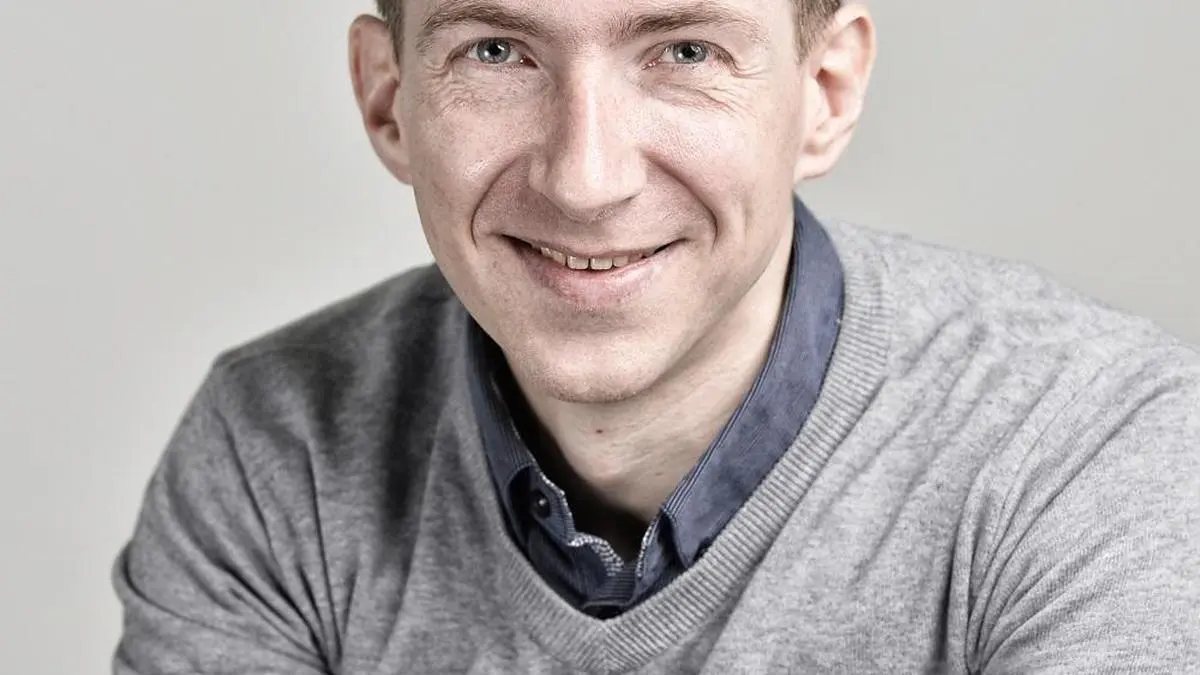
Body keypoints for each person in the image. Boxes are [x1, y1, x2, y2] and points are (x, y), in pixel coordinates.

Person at [111, 0, 1200, 672]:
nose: (585, 179)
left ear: (825, 93)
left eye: (684, 49)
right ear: (389, 99)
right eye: (497, 51)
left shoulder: (1093, 455)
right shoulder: (280, 447)